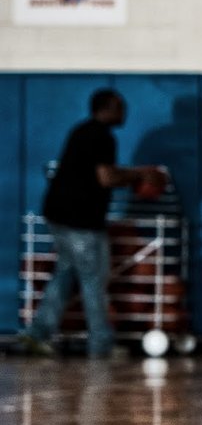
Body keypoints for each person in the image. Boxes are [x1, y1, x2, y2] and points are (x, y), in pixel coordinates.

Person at [17, 89, 166, 359]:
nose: (124, 114)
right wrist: (140, 175)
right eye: (120, 108)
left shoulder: (82, 131)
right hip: (79, 221)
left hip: (59, 215)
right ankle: (101, 344)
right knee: (94, 278)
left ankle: (37, 335)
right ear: (106, 109)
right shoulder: (100, 136)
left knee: (65, 275)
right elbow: (106, 178)